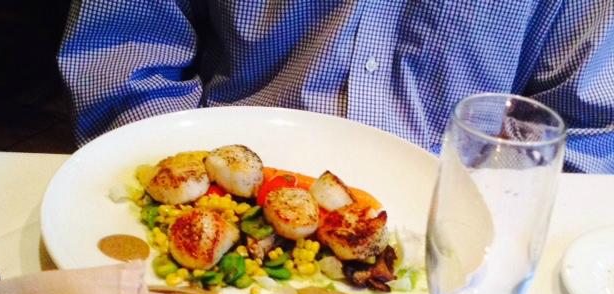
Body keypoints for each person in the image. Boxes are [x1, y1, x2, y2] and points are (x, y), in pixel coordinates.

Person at [58, 0, 613, 173]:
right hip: (222, 186)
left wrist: (474, 223)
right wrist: (181, 184)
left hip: (451, 234)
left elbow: (586, 132)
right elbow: (124, 46)